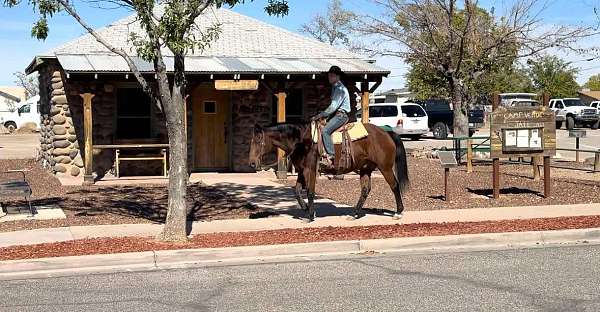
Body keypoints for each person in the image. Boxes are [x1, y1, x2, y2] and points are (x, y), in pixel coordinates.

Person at [311, 66, 351, 168]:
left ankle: (331, 156)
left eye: (332, 76)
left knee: (325, 131)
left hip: (341, 115)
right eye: (329, 75)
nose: (329, 77)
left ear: (337, 77)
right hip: (336, 114)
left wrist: (320, 115)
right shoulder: (335, 88)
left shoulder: (340, 89)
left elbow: (333, 106)